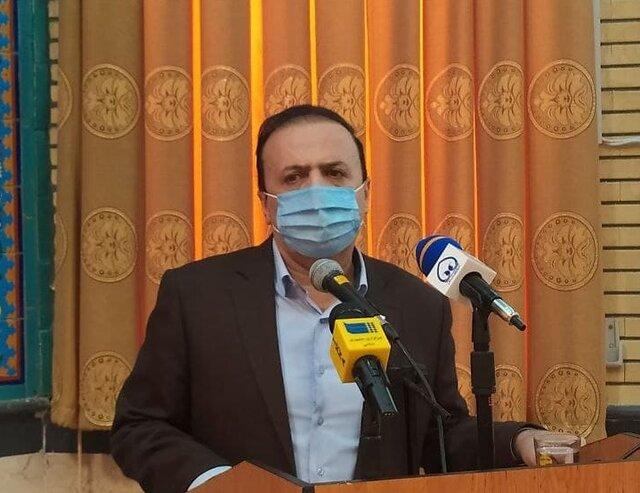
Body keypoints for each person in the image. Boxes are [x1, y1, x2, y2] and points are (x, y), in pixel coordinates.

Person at [112, 105, 562, 493]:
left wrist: (518, 441)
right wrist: (218, 483)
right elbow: (141, 426)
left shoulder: (417, 306)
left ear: (365, 194)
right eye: (294, 177)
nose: (317, 191)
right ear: (267, 204)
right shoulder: (197, 296)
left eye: (334, 173)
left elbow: (440, 437)